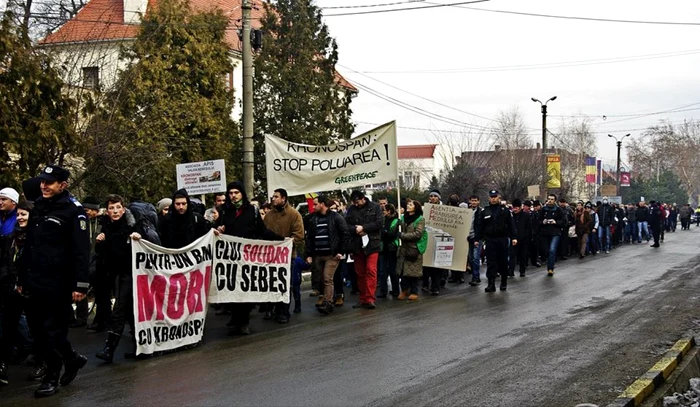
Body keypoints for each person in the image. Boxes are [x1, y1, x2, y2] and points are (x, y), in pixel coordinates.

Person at [22, 165, 90, 397]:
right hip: (35, 279)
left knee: (53, 330)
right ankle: (71, 359)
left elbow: (81, 251)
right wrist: (23, 277)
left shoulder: (74, 211)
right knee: (39, 331)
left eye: (49, 182)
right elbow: (30, 246)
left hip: (59, 281)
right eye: (42, 182)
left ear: (63, 184)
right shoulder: (39, 206)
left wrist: (81, 284)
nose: (43, 186)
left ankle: (52, 377)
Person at [215, 181, 282, 335]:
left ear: (242, 194)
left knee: (246, 290)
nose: (233, 196)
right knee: (232, 289)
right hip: (230, 259)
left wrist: (280, 240)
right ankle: (236, 318)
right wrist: (218, 229)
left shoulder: (252, 211)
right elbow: (217, 230)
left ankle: (243, 321)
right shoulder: (225, 211)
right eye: (230, 193)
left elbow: (262, 231)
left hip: (248, 258)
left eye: (236, 193)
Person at [94, 195, 144, 363]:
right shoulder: (106, 227)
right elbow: (104, 255)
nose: (115, 211)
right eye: (111, 208)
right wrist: (100, 242)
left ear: (123, 209)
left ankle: (109, 349)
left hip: (130, 274)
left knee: (119, 310)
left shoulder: (132, 225)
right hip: (115, 274)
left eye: (117, 207)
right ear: (107, 211)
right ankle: (141, 346)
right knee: (129, 311)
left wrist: (138, 237)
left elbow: (145, 243)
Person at [0, 200, 35, 385]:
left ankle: (42, 360)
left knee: (37, 328)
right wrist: (8, 281)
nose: (20, 218)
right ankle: (2, 365)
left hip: (32, 291)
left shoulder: (38, 238)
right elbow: (5, 262)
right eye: (19, 214)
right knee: (8, 328)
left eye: (24, 214)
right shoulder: (10, 238)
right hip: (11, 291)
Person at [263, 188, 304, 323]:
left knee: (285, 285)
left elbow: (299, 236)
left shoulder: (294, 215)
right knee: (271, 284)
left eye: (276, 197)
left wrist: (285, 244)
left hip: (287, 258)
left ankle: (284, 312)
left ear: (283, 198)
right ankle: (273, 308)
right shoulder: (269, 216)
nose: (273, 199)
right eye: (272, 197)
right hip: (270, 258)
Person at [304, 195, 349, 315]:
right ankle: (325, 298)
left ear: (322, 204)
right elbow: (309, 237)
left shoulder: (335, 217)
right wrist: (309, 254)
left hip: (331, 255)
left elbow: (345, 233)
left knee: (327, 278)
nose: (313, 207)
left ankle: (329, 303)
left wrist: (341, 251)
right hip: (318, 254)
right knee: (321, 279)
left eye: (315, 204)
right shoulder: (313, 219)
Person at [345, 190, 383, 310]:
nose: (356, 205)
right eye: (354, 202)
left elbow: (379, 223)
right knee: (360, 273)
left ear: (363, 198)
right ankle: (363, 298)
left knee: (371, 270)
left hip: (372, 243)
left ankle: (370, 298)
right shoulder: (351, 210)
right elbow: (346, 225)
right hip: (357, 244)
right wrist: (355, 229)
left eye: (357, 202)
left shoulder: (375, 207)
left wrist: (364, 228)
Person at [474, 190, 517, 292]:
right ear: (489, 198)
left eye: (495, 197)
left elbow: (511, 225)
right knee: (491, 262)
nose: (493, 199)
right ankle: (491, 284)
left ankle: (503, 282)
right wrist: (477, 239)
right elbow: (480, 226)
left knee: (502, 261)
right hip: (490, 240)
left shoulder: (505, 210)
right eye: (491, 197)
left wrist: (514, 237)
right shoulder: (485, 211)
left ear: (499, 197)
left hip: (502, 239)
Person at [396, 199, 425, 300]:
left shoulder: (420, 219)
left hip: (413, 249)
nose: (408, 206)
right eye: (408, 204)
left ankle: (414, 291)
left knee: (414, 272)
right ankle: (404, 290)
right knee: (403, 272)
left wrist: (403, 236)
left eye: (411, 204)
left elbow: (418, 234)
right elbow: (399, 229)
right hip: (404, 249)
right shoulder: (403, 218)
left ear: (415, 207)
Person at [538, 194, 565, 276]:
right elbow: (538, 220)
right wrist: (543, 222)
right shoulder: (543, 210)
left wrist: (556, 222)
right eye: (549, 199)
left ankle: (550, 268)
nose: (550, 201)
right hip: (545, 233)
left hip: (555, 233)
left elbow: (564, 221)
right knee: (546, 251)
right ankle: (549, 261)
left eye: (552, 199)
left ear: (555, 201)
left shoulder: (558, 210)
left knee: (552, 250)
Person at [378, 203, 400, 298]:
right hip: (384, 248)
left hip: (392, 248)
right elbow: (382, 233)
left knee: (393, 270)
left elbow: (394, 234)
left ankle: (395, 290)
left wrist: (386, 233)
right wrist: (386, 233)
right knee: (383, 271)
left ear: (389, 211)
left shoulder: (396, 221)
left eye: (384, 211)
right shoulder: (383, 221)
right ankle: (383, 291)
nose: (383, 213)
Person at [509, 199, 532, 277]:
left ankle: (522, 270)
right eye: (513, 208)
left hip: (523, 239)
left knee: (523, 255)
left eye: (516, 208)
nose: (514, 209)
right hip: (513, 239)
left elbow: (529, 228)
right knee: (512, 255)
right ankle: (511, 270)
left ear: (520, 207)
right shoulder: (511, 216)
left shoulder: (526, 216)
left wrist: (526, 236)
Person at [467, 195, 483, 286]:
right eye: (472, 200)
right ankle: (475, 275)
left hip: (477, 238)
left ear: (478, 201)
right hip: (468, 237)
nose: (473, 202)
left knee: (475, 258)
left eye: (475, 201)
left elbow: (481, 226)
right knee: (470, 258)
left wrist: (479, 238)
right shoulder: (466, 212)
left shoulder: (480, 212)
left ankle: (476, 277)